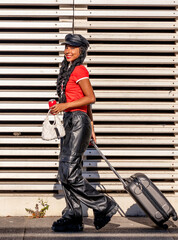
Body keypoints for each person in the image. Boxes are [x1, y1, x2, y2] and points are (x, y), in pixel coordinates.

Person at [49, 34, 118, 232]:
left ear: (81, 50)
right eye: (66, 47)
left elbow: (90, 98)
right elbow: (83, 101)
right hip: (72, 121)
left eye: (73, 47)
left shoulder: (79, 69)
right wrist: (92, 128)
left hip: (78, 121)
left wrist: (66, 106)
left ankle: (104, 204)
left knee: (69, 172)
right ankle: (73, 215)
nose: (68, 50)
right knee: (67, 172)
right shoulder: (68, 70)